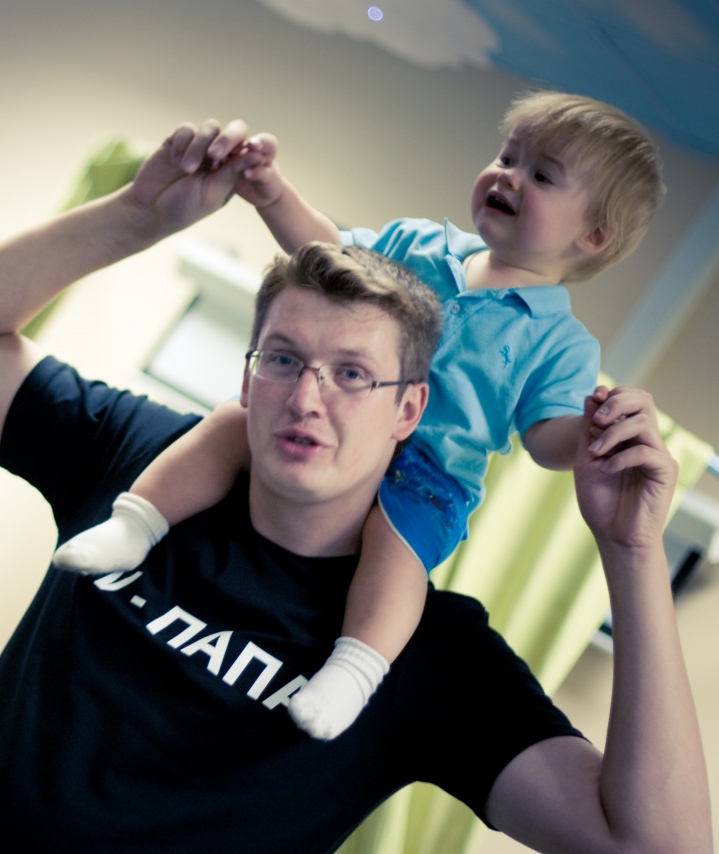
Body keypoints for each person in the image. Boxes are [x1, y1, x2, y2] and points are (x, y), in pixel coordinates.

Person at [0, 120, 709, 851]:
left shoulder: (428, 654)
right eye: (282, 359)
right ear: (248, 372)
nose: (307, 398)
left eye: (352, 373)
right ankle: (136, 524)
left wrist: (630, 553)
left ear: (410, 407)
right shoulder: (139, 452)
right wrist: (139, 214)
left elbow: (656, 845)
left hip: (422, 514)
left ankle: (349, 667)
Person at [53, 91, 667, 739]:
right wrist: (273, 195)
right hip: (336, 419)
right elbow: (325, 251)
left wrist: (593, 434)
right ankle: (135, 523)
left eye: (541, 175)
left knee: (398, 553)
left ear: (592, 236)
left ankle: (354, 669)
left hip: (428, 473)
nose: (507, 176)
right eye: (507, 156)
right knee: (230, 423)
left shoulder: (560, 343)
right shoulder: (418, 243)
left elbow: (545, 439)